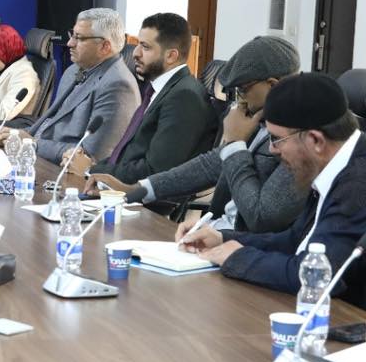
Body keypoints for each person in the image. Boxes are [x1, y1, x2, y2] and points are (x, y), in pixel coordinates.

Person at [182, 72, 366, 316]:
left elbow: (314, 274)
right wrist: (223, 238)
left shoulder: (362, 188)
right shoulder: (344, 161)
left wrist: (237, 257)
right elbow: (298, 240)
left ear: (316, 140)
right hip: (348, 311)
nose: (272, 150)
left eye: (277, 139)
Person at [95, 35, 309, 232]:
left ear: (272, 86)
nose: (240, 101)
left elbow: (261, 216)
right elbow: (208, 165)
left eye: (243, 90)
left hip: (240, 245)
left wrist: (235, 145)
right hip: (211, 234)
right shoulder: (256, 118)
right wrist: (136, 190)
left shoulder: (298, 140)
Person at [77, 12, 215, 187]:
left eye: (145, 47)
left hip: (142, 200)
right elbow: (127, 155)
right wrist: (91, 166)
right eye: (138, 45)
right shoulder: (159, 89)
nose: (135, 53)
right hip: (120, 188)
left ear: (171, 56)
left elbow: (156, 171)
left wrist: (91, 170)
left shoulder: (184, 97)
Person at [15, 7, 138, 165]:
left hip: (63, 172)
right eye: (72, 35)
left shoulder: (118, 86)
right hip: (39, 158)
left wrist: (32, 144)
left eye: (79, 38)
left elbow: (90, 156)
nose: (70, 43)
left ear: (105, 46)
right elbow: (51, 122)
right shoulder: (73, 70)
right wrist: (15, 135)